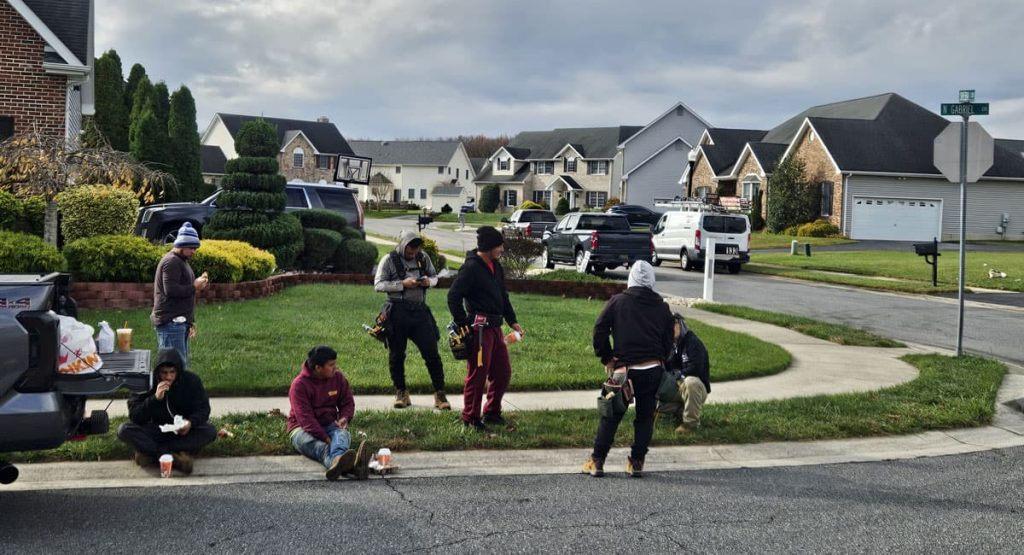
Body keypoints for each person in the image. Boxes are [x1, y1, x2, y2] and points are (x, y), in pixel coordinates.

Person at [583, 261, 674, 478]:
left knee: (610, 415)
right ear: (651, 280)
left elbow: (600, 329)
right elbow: (669, 340)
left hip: (624, 372)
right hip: (653, 370)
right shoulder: (662, 307)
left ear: (631, 278)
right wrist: (661, 358)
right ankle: (637, 462)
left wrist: (607, 357)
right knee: (644, 417)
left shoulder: (617, 302)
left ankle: (597, 461)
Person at [447, 226, 524, 431]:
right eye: (499, 246)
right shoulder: (471, 268)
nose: (502, 250)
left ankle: (492, 412)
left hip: (496, 328)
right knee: (478, 374)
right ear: (489, 246)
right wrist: (463, 323)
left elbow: (503, 296)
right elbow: (453, 296)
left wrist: (512, 321)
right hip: (479, 330)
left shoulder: (495, 267)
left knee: (503, 372)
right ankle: (471, 418)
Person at [374, 231, 451, 410]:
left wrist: (428, 282)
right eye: (410, 250)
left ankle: (440, 394)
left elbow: (434, 278)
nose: (412, 254)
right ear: (403, 245)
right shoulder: (389, 259)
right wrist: (402, 284)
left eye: (415, 250)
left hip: (420, 313)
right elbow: (378, 284)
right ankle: (401, 392)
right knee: (396, 354)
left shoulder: (423, 258)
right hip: (396, 312)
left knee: (432, 353)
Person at [117, 348, 217, 475]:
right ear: (157, 372)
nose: (168, 377)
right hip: (155, 429)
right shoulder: (145, 382)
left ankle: (152, 454)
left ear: (178, 371)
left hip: (181, 430)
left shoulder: (191, 381)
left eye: (172, 372)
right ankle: (176, 457)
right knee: (124, 430)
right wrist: (154, 399)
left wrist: (190, 423)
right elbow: (135, 416)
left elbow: (203, 410)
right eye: (164, 373)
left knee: (210, 431)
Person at [287, 345, 371, 481]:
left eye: (335, 364)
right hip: (301, 429)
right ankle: (353, 467)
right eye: (331, 365)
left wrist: (344, 417)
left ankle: (338, 462)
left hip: (329, 423)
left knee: (341, 434)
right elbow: (305, 419)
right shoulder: (299, 386)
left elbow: (347, 402)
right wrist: (325, 438)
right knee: (320, 447)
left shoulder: (338, 378)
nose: (335, 368)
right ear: (318, 368)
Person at [151, 222, 208, 367]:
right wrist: (194, 286)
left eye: (195, 248)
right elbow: (170, 290)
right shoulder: (171, 262)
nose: (194, 251)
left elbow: (185, 290)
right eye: (191, 248)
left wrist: (190, 321)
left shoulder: (181, 261)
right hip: (170, 323)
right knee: (173, 368)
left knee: (179, 366)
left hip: (179, 322)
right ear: (181, 245)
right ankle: (170, 390)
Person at [658, 313, 711, 433]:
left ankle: (690, 424)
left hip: (696, 388)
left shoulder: (693, 342)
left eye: (674, 324)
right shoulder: (668, 345)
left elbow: (697, 368)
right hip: (675, 386)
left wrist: (679, 373)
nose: (671, 328)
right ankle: (681, 411)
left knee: (690, 382)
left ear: (680, 324)